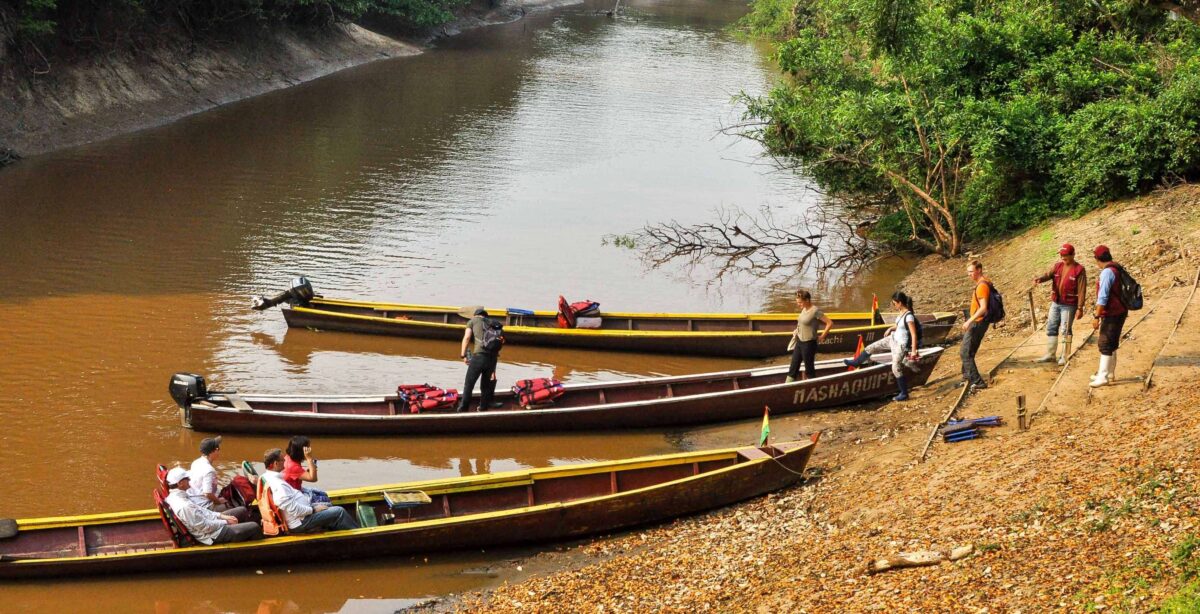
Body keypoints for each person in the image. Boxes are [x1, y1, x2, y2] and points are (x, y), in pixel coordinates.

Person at [843, 292, 921, 401]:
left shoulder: (909, 316)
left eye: (894, 304)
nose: (893, 306)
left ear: (900, 303)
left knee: (896, 368)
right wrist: (890, 329)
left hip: (900, 345)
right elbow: (899, 325)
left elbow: (913, 334)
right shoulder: (901, 313)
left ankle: (904, 393)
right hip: (892, 339)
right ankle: (856, 362)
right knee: (871, 347)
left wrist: (913, 350)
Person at [261, 448, 358, 533]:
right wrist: (313, 510)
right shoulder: (279, 485)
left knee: (326, 503)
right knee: (339, 511)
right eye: (282, 460)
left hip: (301, 514)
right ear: (275, 464)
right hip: (300, 522)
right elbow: (293, 509)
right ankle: (359, 534)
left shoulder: (267, 476)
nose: (285, 461)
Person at [164, 467, 263, 545]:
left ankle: (243, 535)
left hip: (207, 523)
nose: (189, 480)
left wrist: (221, 516)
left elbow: (202, 510)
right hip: (211, 535)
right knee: (254, 527)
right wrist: (225, 522)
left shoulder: (177, 496)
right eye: (187, 479)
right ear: (180, 483)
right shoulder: (184, 506)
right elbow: (204, 527)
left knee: (242, 510)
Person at [1031, 243, 1087, 364]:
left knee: (1065, 329)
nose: (1063, 257)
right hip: (1056, 302)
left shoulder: (1079, 270)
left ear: (1072, 255)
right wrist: (1040, 279)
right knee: (1051, 326)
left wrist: (1080, 307)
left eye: (1065, 255)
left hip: (1069, 304)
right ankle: (1051, 354)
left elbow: (1082, 290)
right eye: (1061, 255)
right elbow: (1048, 275)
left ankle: (1064, 355)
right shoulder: (1057, 266)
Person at [1090, 245, 1127, 387]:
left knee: (1105, 343)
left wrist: (1096, 316)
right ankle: (1108, 373)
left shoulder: (1106, 273)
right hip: (1120, 310)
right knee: (1112, 343)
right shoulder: (1116, 268)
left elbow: (1103, 297)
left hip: (1113, 312)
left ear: (1097, 259)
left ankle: (1103, 376)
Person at [455, 307, 502, 412]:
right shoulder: (494, 323)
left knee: (469, 384)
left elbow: (467, 338)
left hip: (479, 357)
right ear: (485, 315)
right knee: (485, 385)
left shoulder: (472, 321)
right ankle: (483, 407)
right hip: (492, 358)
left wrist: (463, 355)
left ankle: (463, 408)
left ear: (475, 315)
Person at [786, 290, 834, 383]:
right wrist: (797, 330)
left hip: (809, 344)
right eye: (797, 302)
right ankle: (786, 386)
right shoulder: (804, 309)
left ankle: (812, 387)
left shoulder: (815, 311)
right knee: (793, 366)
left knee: (809, 369)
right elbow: (802, 323)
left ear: (807, 300)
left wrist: (823, 336)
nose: (798, 304)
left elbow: (830, 323)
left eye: (800, 302)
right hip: (799, 342)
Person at [961, 260, 991, 390]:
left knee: (965, 353)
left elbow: (983, 308)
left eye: (971, 271)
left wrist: (969, 320)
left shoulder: (982, 286)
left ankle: (978, 381)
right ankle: (967, 377)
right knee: (969, 351)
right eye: (968, 272)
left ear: (979, 270)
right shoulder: (983, 282)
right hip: (978, 321)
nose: (969, 275)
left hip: (977, 323)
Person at [283, 436, 330, 505]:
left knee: (323, 494)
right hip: (294, 496)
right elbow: (313, 479)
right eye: (307, 448)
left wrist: (310, 469)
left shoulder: (288, 457)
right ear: (301, 451)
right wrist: (309, 458)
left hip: (294, 490)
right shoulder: (292, 466)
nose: (309, 450)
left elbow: (298, 474)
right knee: (326, 501)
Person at [189, 436, 231, 512]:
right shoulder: (209, 470)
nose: (218, 452)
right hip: (204, 506)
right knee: (236, 507)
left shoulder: (196, 462)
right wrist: (218, 501)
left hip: (195, 498)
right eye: (217, 449)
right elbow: (207, 493)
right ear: (212, 452)